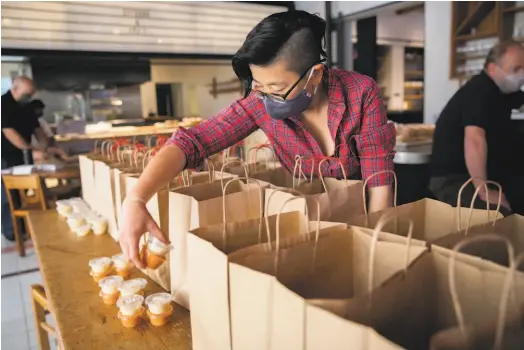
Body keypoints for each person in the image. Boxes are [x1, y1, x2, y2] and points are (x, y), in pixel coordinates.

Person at [119, 10, 396, 267]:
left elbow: (379, 185)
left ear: (315, 75)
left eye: (277, 88)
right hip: (300, 227)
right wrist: (136, 199)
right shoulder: (259, 102)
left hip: (361, 223)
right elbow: (192, 142)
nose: (266, 97)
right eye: (259, 85)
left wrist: (368, 250)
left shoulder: (360, 93)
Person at [430, 40, 524, 216]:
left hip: (482, 174)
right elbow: (474, 140)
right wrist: (483, 190)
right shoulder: (479, 92)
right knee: (500, 215)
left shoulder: (503, 92)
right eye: (516, 69)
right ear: (493, 68)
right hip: (454, 180)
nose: (521, 75)